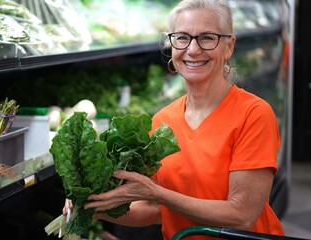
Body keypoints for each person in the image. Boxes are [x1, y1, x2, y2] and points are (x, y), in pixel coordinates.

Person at [63, 0, 285, 239]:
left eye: (207, 38)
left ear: (229, 46)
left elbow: (241, 216)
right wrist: (95, 206)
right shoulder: (162, 122)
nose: (193, 49)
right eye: (182, 38)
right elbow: (153, 209)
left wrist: (157, 194)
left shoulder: (253, 114)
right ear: (171, 45)